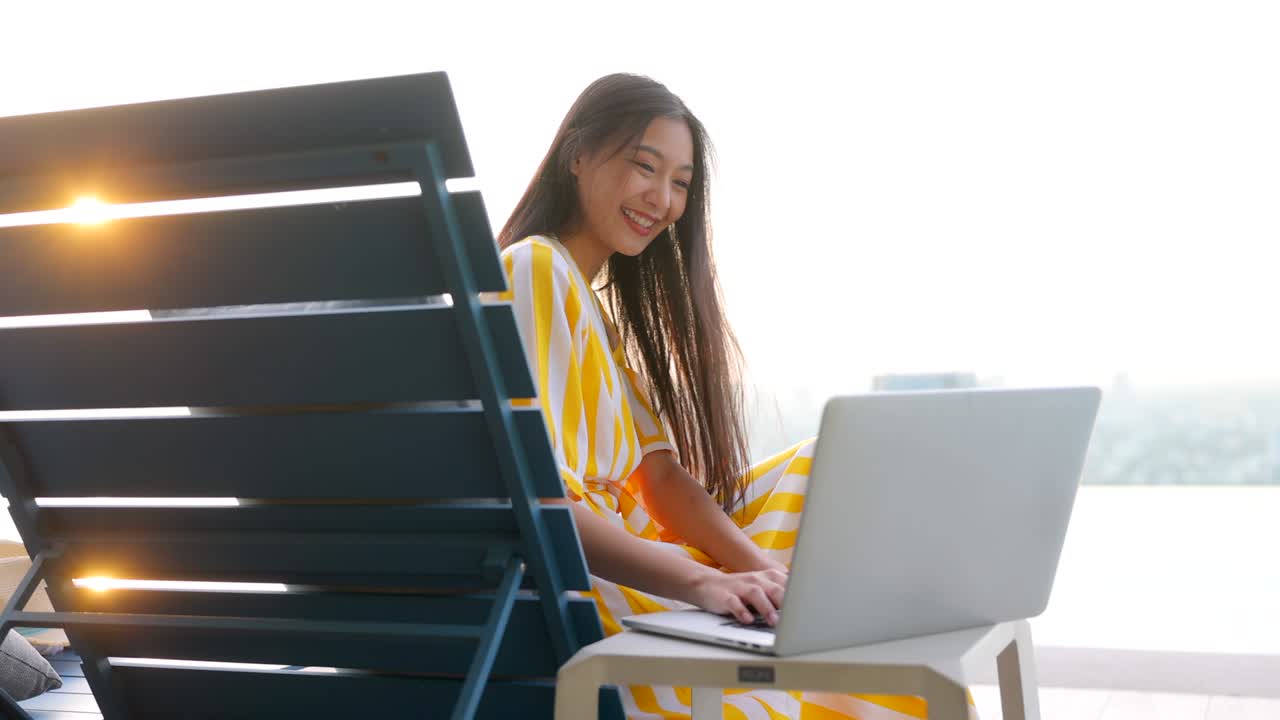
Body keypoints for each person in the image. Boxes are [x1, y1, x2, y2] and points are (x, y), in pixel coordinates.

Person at [497, 74, 972, 720]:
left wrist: (768, 583)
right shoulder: (536, 269)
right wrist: (705, 581)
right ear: (576, 155)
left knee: (825, 464)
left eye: (682, 183)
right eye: (645, 165)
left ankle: (826, 622)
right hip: (587, 582)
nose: (662, 199)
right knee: (838, 691)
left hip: (625, 558)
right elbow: (538, 495)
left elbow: (662, 478)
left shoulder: (592, 311)